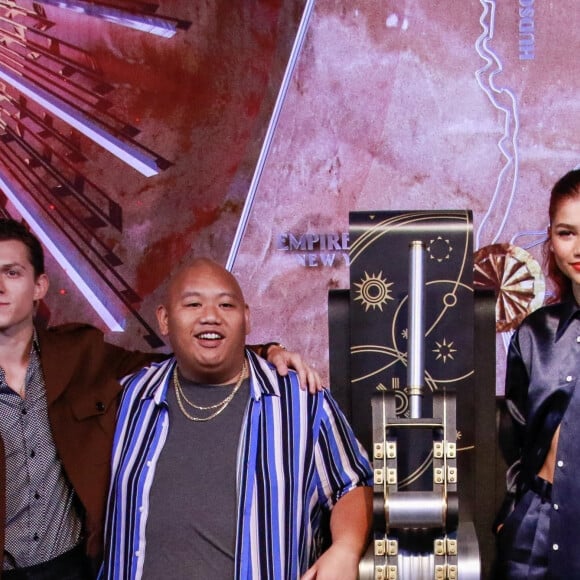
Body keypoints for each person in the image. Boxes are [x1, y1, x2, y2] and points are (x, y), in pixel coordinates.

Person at [0, 218, 321, 579]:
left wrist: (265, 350)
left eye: (11, 273)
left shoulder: (78, 353)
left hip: (73, 569)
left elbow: (173, 359)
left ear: (39, 285)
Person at [100, 258, 373, 580]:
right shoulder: (130, 396)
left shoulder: (300, 399)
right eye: (193, 304)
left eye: (226, 305)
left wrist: (346, 547)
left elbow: (353, 485)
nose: (210, 316)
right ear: (164, 318)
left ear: (246, 318)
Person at [494, 168, 580, 579]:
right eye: (567, 233)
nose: (579, 247)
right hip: (536, 530)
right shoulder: (534, 334)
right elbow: (515, 437)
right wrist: (516, 513)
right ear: (551, 239)